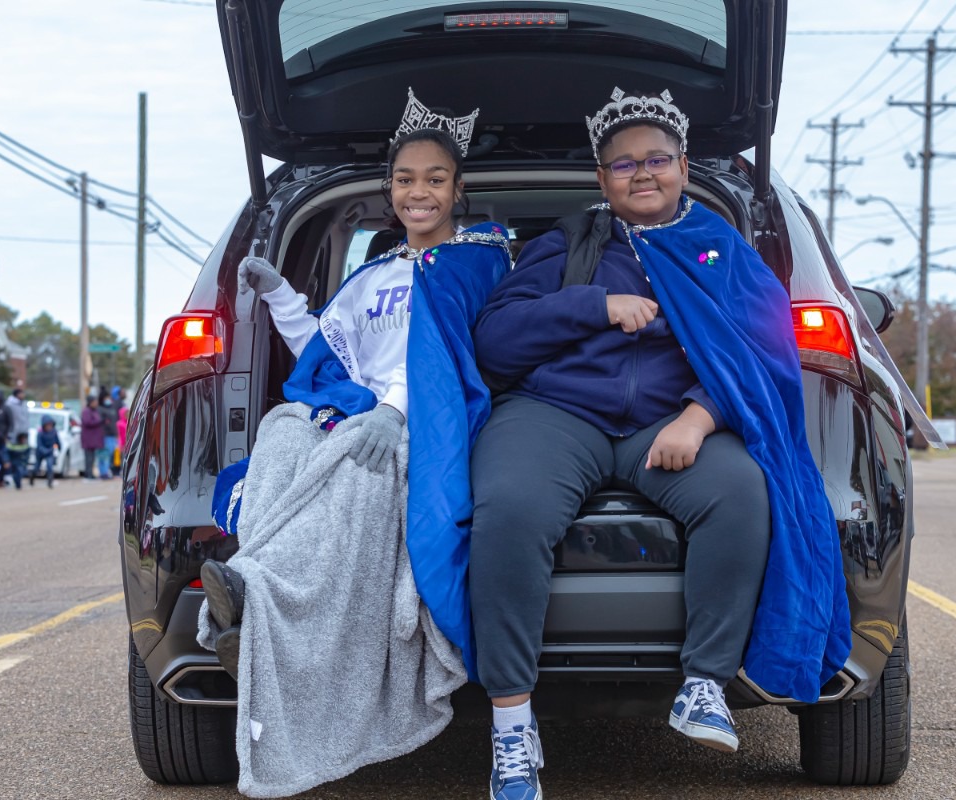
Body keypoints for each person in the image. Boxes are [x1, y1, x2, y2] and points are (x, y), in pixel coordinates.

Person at [469, 88, 850, 799]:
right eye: (623, 165)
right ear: (601, 178)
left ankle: (703, 683)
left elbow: (763, 353)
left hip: (668, 423)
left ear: (682, 166)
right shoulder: (568, 242)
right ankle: (512, 726)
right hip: (557, 412)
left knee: (740, 495)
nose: (642, 174)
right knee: (509, 510)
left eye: (657, 160)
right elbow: (496, 339)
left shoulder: (722, 250)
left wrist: (699, 417)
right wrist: (592, 305)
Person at [198, 90, 510, 795]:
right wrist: (281, 297)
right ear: (390, 190)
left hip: (423, 425)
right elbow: (330, 360)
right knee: (282, 430)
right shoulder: (372, 275)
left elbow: (462, 358)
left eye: (435, 178)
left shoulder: (479, 266)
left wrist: (396, 412)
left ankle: (264, 592)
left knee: (357, 465)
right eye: (405, 179)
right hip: (356, 412)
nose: (418, 191)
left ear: (459, 190)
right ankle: (253, 579)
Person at [30, 415, 61, 488]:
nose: (49, 427)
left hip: (49, 452)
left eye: (50, 425)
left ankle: (50, 481)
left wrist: (59, 448)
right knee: (37, 467)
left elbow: (57, 441)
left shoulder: (54, 432)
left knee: (49, 466)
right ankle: (32, 476)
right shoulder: (40, 433)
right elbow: (39, 445)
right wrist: (45, 451)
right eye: (47, 425)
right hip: (40, 453)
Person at [80, 396, 104, 479]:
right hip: (88, 439)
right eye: (95, 402)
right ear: (90, 402)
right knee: (88, 458)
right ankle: (88, 474)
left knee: (92, 458)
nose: (96, 403)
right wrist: (99, 421)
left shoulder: (95, 411)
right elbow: (87, 422)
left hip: (93, 440)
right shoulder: (86, 411)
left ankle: (91, 473)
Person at [98, 393, 118, 479]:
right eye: (106, 398)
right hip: (105, 436)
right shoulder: (100, 409)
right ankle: (103, 473)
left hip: (112, 435)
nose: (108, 400)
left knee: (110, 455)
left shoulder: (112, 409)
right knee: (104, 455)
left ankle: (106, 471)